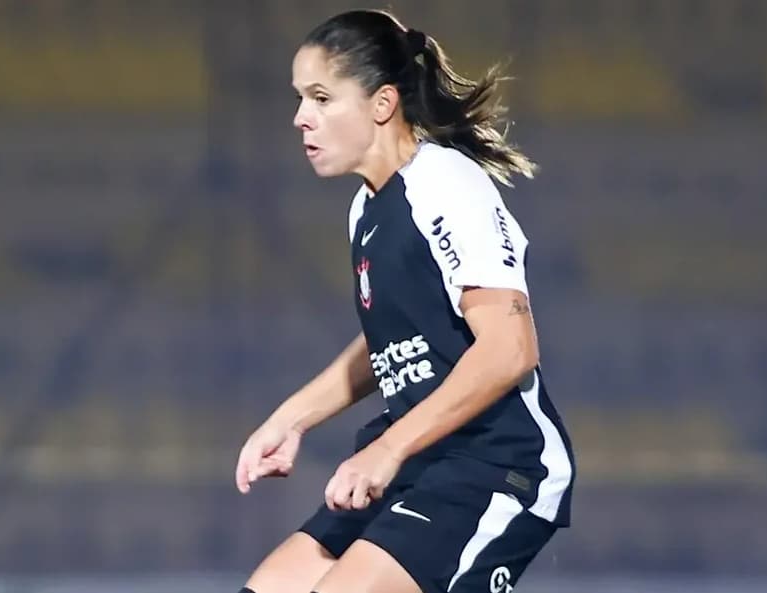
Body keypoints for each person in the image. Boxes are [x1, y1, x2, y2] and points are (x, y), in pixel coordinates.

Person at [234, 9, 575, 593]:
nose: (300, 117)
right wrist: (290, 418)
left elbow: (509, 349)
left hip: (493, 465)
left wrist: (388, 449)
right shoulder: (367, 208)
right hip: (421, 462)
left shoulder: (444, 183)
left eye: (321, 98)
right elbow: (396, 339)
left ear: (382, 103)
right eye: (300, 98)